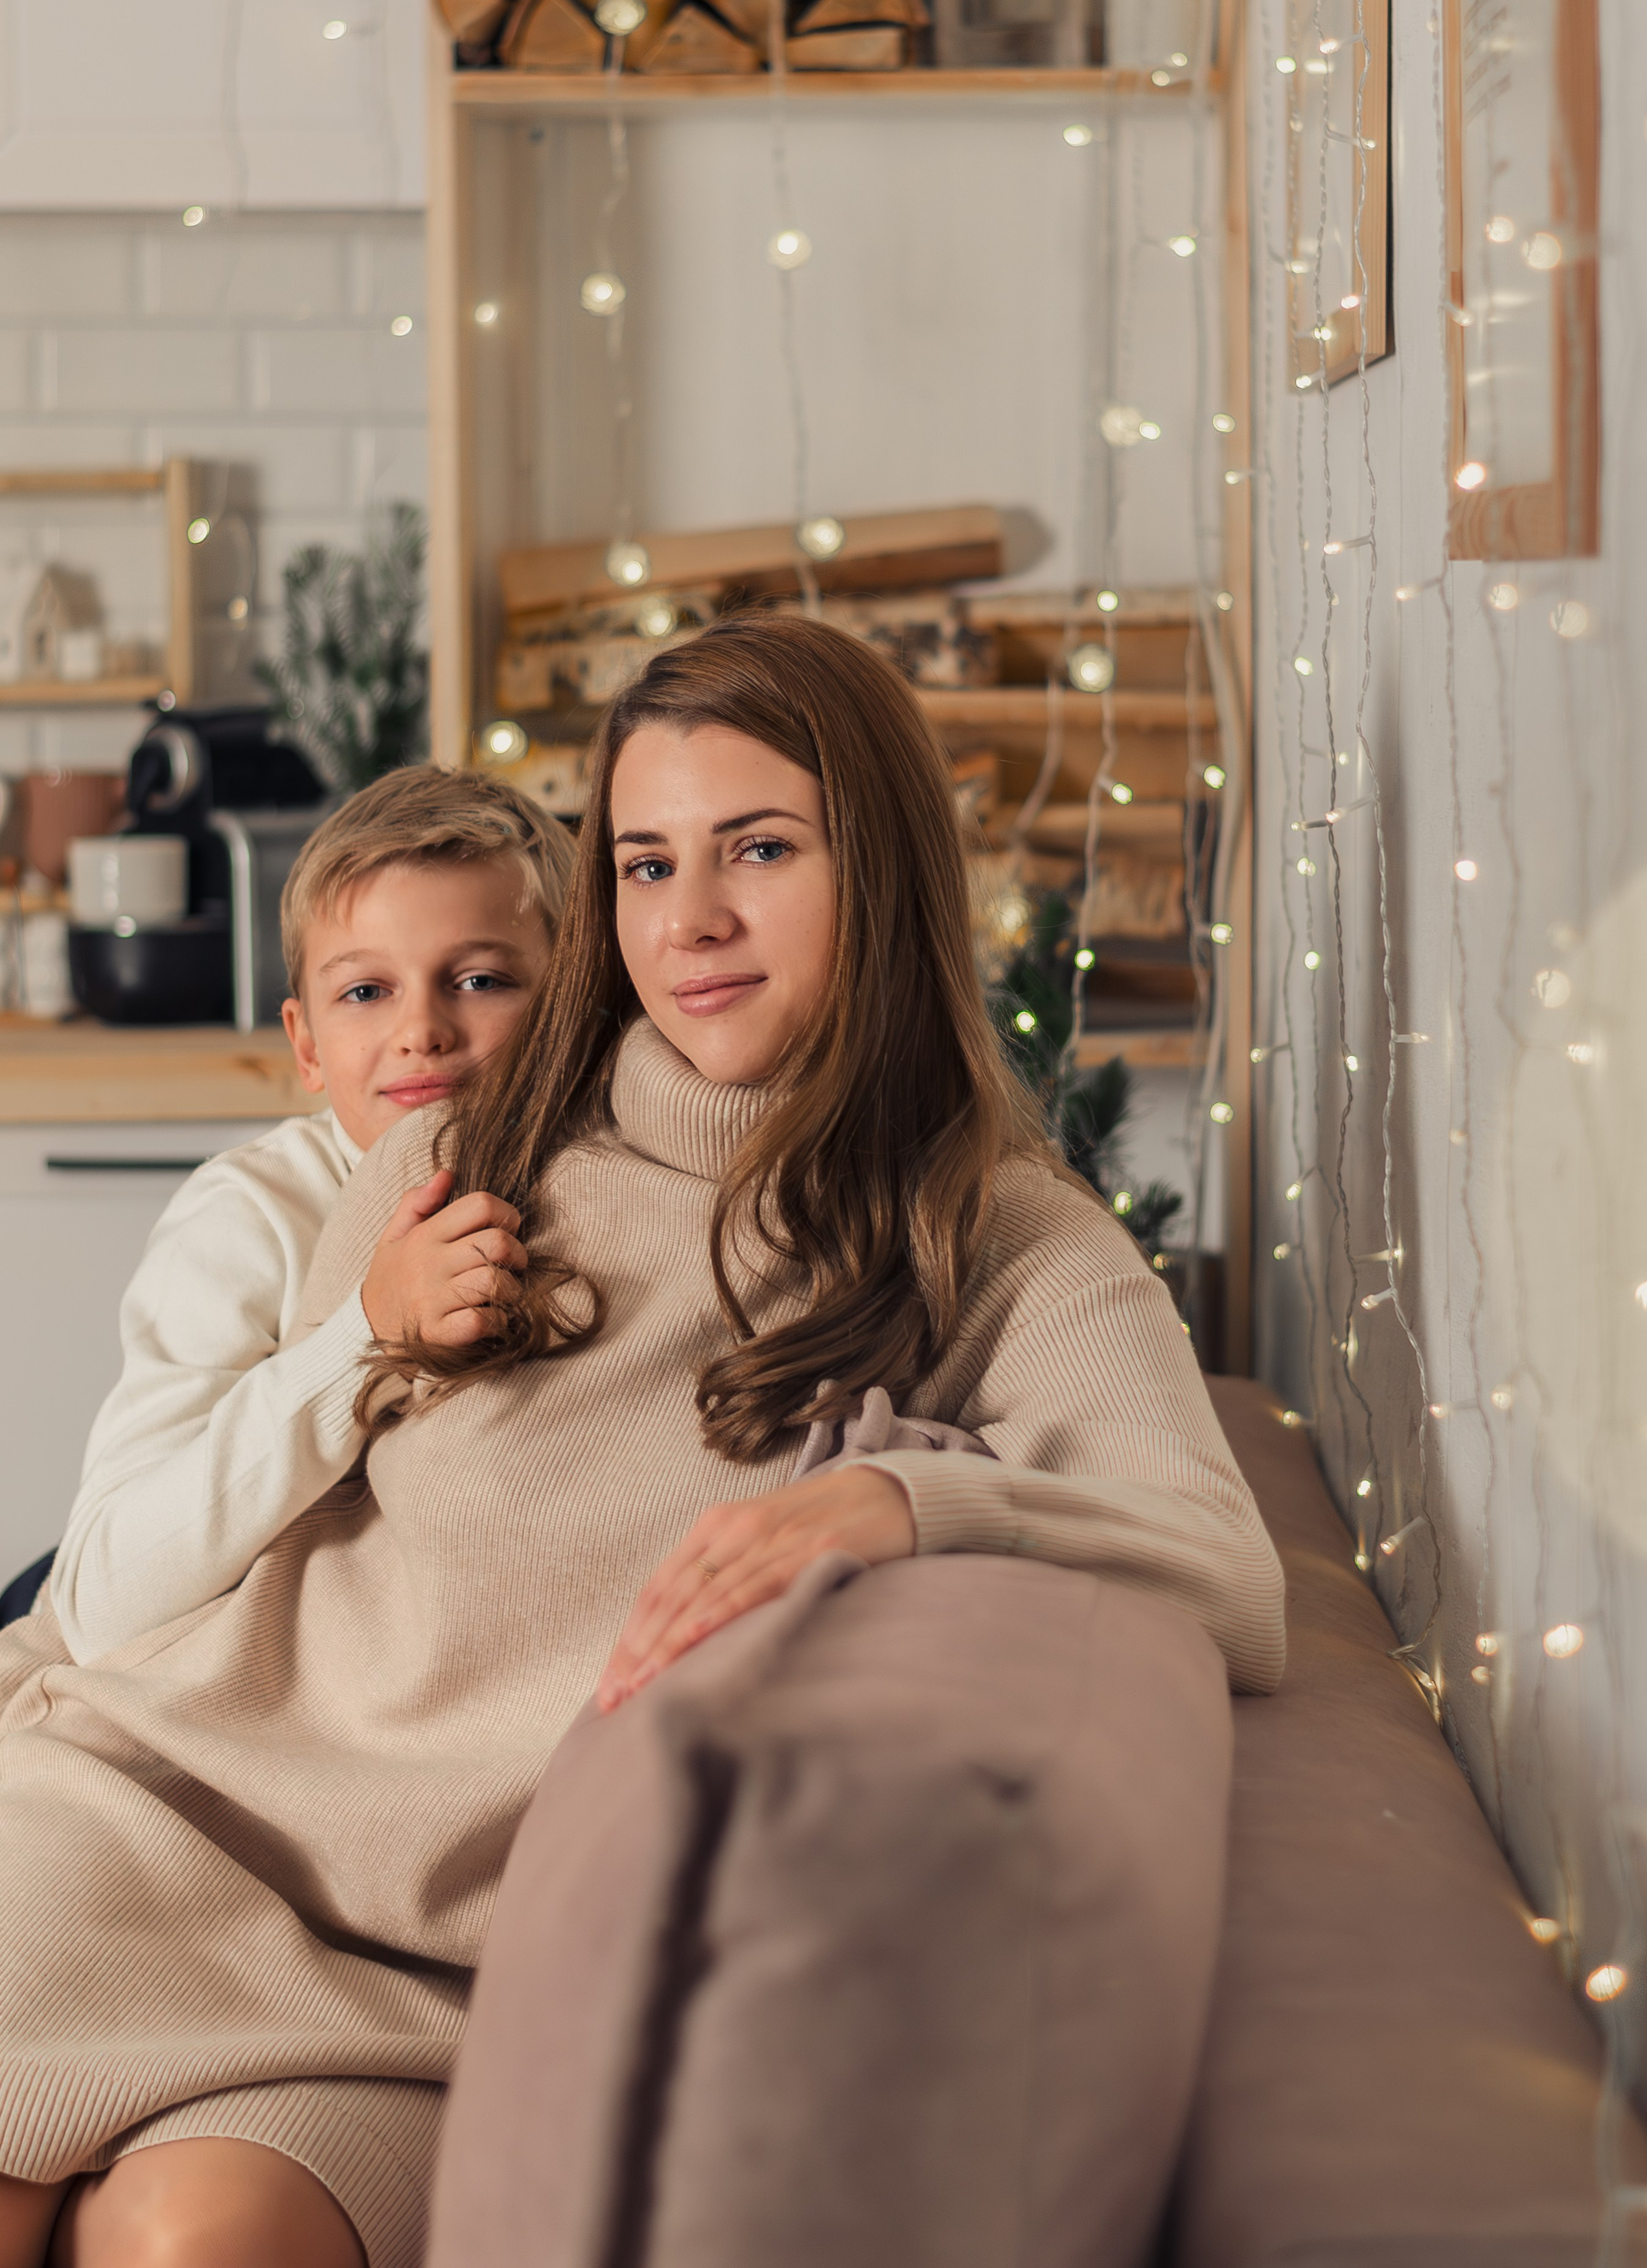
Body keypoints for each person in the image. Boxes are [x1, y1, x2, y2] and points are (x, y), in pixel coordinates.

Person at [0, 618, 1284, 2268]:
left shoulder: (999, 1241)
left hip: (439, 1964)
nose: (691, 921)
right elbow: (238, 1561)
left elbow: (1222, 1563)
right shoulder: (459, 1157)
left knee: (200, 2242)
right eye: (644, 861)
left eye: (758, 849)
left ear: (879, 867)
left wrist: (901, 1502)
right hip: (159, 1809)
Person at [47, 764, 572, 1661]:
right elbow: (97, 1600)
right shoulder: (248, 1216)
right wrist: (368, 1331)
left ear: (569, 1003)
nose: (422, 1030)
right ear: (306, 1043)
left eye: (481, 980)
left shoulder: (588, 1175)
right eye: (366, 992)